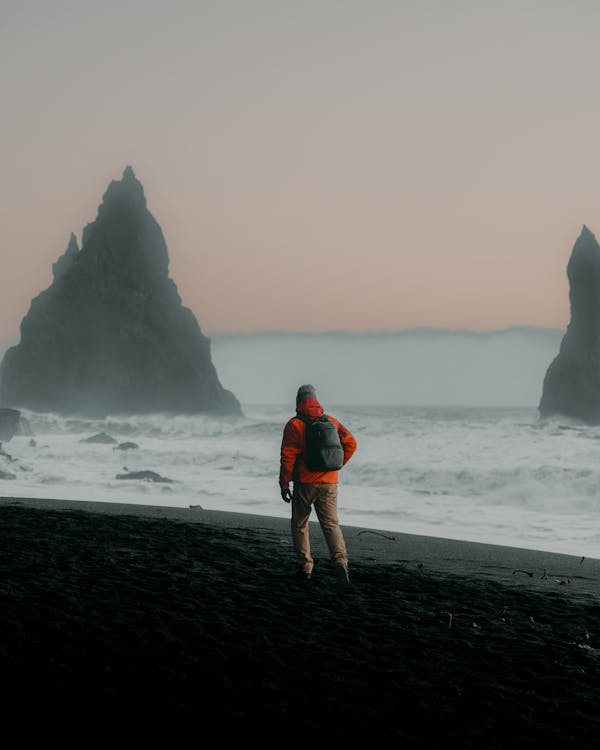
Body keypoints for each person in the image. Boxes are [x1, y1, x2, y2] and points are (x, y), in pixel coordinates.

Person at [279, 384, 357, 584]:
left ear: (298, 401)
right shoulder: (331, 421)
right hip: (329, 483)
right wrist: (336, 466)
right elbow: (351, 443)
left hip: (305, 483)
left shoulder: (294, 424)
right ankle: (340, 562)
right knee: (331, 524)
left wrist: (284, 484)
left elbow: (287, 457)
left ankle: (305, 566)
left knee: (300, 524)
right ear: (316, 399)